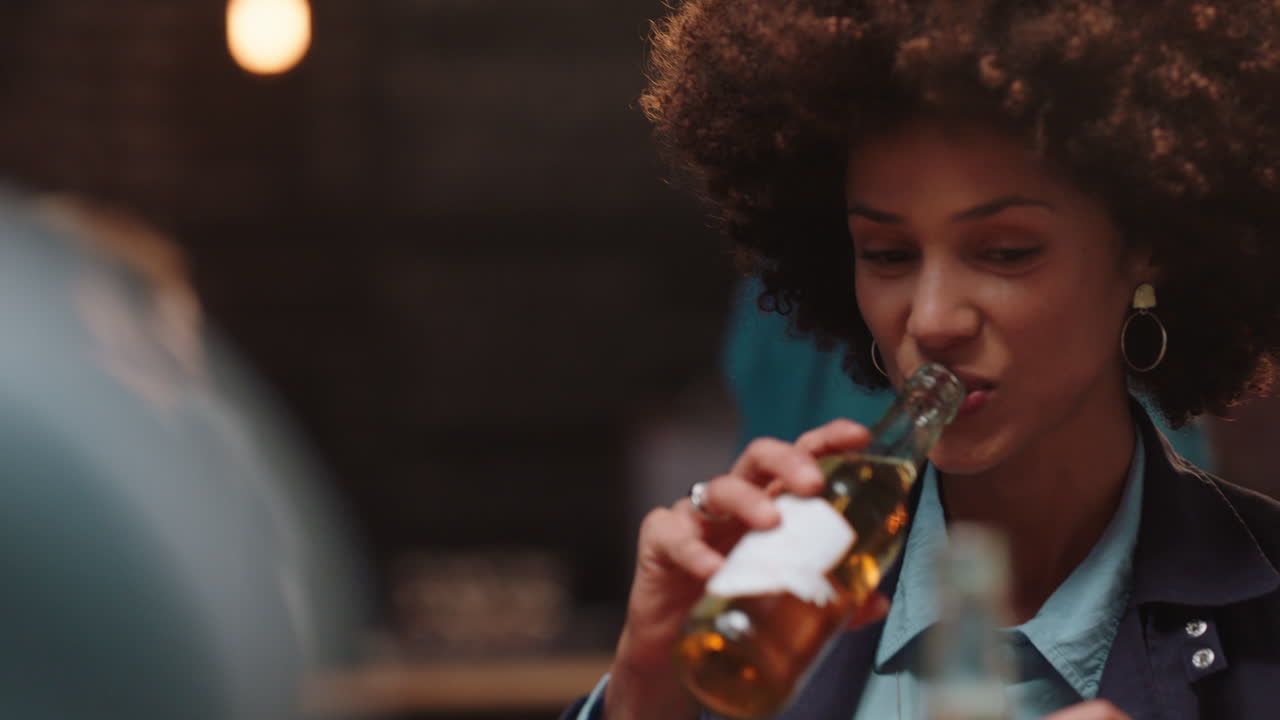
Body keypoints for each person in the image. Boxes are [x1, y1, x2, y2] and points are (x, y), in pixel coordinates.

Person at [563, 2, 1280, 719]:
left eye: (1006, 252)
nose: (932, 320)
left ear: (1146, 244)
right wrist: (641, 697)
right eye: (888, 255)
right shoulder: (763, 616)